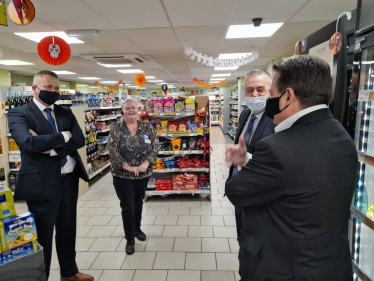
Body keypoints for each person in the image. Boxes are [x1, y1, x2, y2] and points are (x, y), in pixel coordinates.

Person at [225, 55, 357, 281]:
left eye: (271, 95)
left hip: (283, 267)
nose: (266, 102)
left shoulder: (278, 147)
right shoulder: (343, 138)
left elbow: (236, 189)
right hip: (330, 265)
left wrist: (248, 163)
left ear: (287, 96)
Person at [8, 71, 94, 281]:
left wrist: (53, 148)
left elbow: (80, 140)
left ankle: (70, 273)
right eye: (49, 87)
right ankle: (41, 277)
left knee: (67, 230)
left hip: (69, 180)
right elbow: (28, 143)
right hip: (41, 183)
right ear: (35, 89)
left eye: (57, 88)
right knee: (43, 236)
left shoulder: (65, 112)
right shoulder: (19, 113)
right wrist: (64, 136)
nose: (54, 92)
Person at [227, 70, 275, 279]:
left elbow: (276, 164)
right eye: (250, 90)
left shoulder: (277, 119)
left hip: (261, 198)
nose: (254, 95)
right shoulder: (245, 114)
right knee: (243, 241)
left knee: (258, 248)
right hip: (241, 193)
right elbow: (241, 146)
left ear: (270, 92)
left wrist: (247, 159)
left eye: (260, 89)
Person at [107, 98, 159, 255]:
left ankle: (137, 229)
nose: (131, 111)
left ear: (138, 110)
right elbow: (113, 150)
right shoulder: (116, 128)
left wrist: (146, 163)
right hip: (122, 175)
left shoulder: (146, 127)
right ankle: (129, 238)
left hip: (142, 174)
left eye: (133, 108)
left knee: (138, 203)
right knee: (127, 206)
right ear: (122, 111)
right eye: (127, 108)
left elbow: (155, 146)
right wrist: (128, 167)